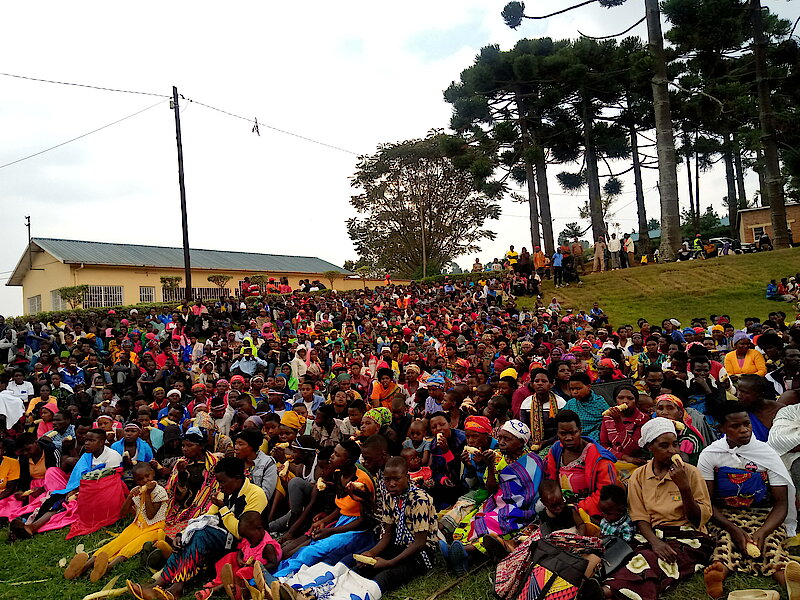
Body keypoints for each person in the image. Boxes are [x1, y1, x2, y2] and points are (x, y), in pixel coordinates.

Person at [603, 417, 714, 600]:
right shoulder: (639, 476)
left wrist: (684, 488)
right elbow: (640, 517)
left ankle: (608, 591)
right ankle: (611, 588)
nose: (673, 451)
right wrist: (655, 542)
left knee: (651, 560)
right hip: (652, 535)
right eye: (664, 445)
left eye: (675, 444)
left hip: (688, 537)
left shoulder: (690, 473)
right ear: (650, 447)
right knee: (624, 556)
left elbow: (697, 520)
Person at [127, 457, 268, 600]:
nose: (220, 486)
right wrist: (182, 534)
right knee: (190, 535)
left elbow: (241, 532)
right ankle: (160, 582)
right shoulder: (225, 492)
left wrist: (223, 508)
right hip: (221, 536)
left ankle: (178, 586)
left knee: (202, 533)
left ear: (237, 478)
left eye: (223, 482)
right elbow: (206, 517)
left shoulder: (256, 494)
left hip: (244, 545)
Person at [699, 402, 797, 599]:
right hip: (725, 516)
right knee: (725, 539)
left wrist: (763, 531)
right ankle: (718, 573)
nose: (744, 430)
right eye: (735, 426)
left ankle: (787, 578)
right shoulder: (710, 455)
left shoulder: (766, 453)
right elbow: (707, 502)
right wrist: (733, 528)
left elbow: (781, 504)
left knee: (770, 543)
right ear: (721, 428)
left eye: (747, 424)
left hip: (764, 515)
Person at [443, 420, 544, 574]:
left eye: (507, 439)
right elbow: (491, 489)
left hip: (522, 508)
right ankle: (462, 554)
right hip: (498, 501)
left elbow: (530, 492)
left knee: (498, 523)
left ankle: (460, 551)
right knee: (477, 519)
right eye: (500, 438)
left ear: (521, 442)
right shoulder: (497, 458)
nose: (501, 442)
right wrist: (490, 466)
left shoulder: (533, 461)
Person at [64, 462, 168, 581]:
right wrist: (130, 497)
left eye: (147, 476)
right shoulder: (137, 491)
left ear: (153, 473)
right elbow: (123, 513)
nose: (145, 481)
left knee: (131, 547)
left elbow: (150, 515)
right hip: (136, 526)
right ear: (135, 480)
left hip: (154, 528)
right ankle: (83, 567)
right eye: (140, 479)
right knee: (117, 542)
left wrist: (148, 493)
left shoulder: (159, 491)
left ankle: (107, 568)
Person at [355, 456, 438, 593]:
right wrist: (371, 553)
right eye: (387, 480)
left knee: (385, 576)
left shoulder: (419, 500)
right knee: (363, 567)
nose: (392, 484)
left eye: (397, 479)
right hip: (399, 545)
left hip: (421, 552)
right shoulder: (390, 497)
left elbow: (420, 543)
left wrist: (389, 563)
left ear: (407, 477)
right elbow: (388, 534)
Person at [544, 410, 617, 518]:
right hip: (560, 506)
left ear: (580, 430)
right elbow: (549, 481)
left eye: (573, 433)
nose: (568, 438)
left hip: (589, 511)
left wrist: (576, 509)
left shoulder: (599, 458)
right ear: (557, 433)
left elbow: (605, 495)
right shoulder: (556, 450)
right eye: (563, 434)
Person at [562, 373, 609, 441]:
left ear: (588, 387)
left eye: (578, 388)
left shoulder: (599, 403)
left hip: (594, 439)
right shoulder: (570, 403)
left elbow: (608, 421)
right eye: (572, 389)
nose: (574, 392)